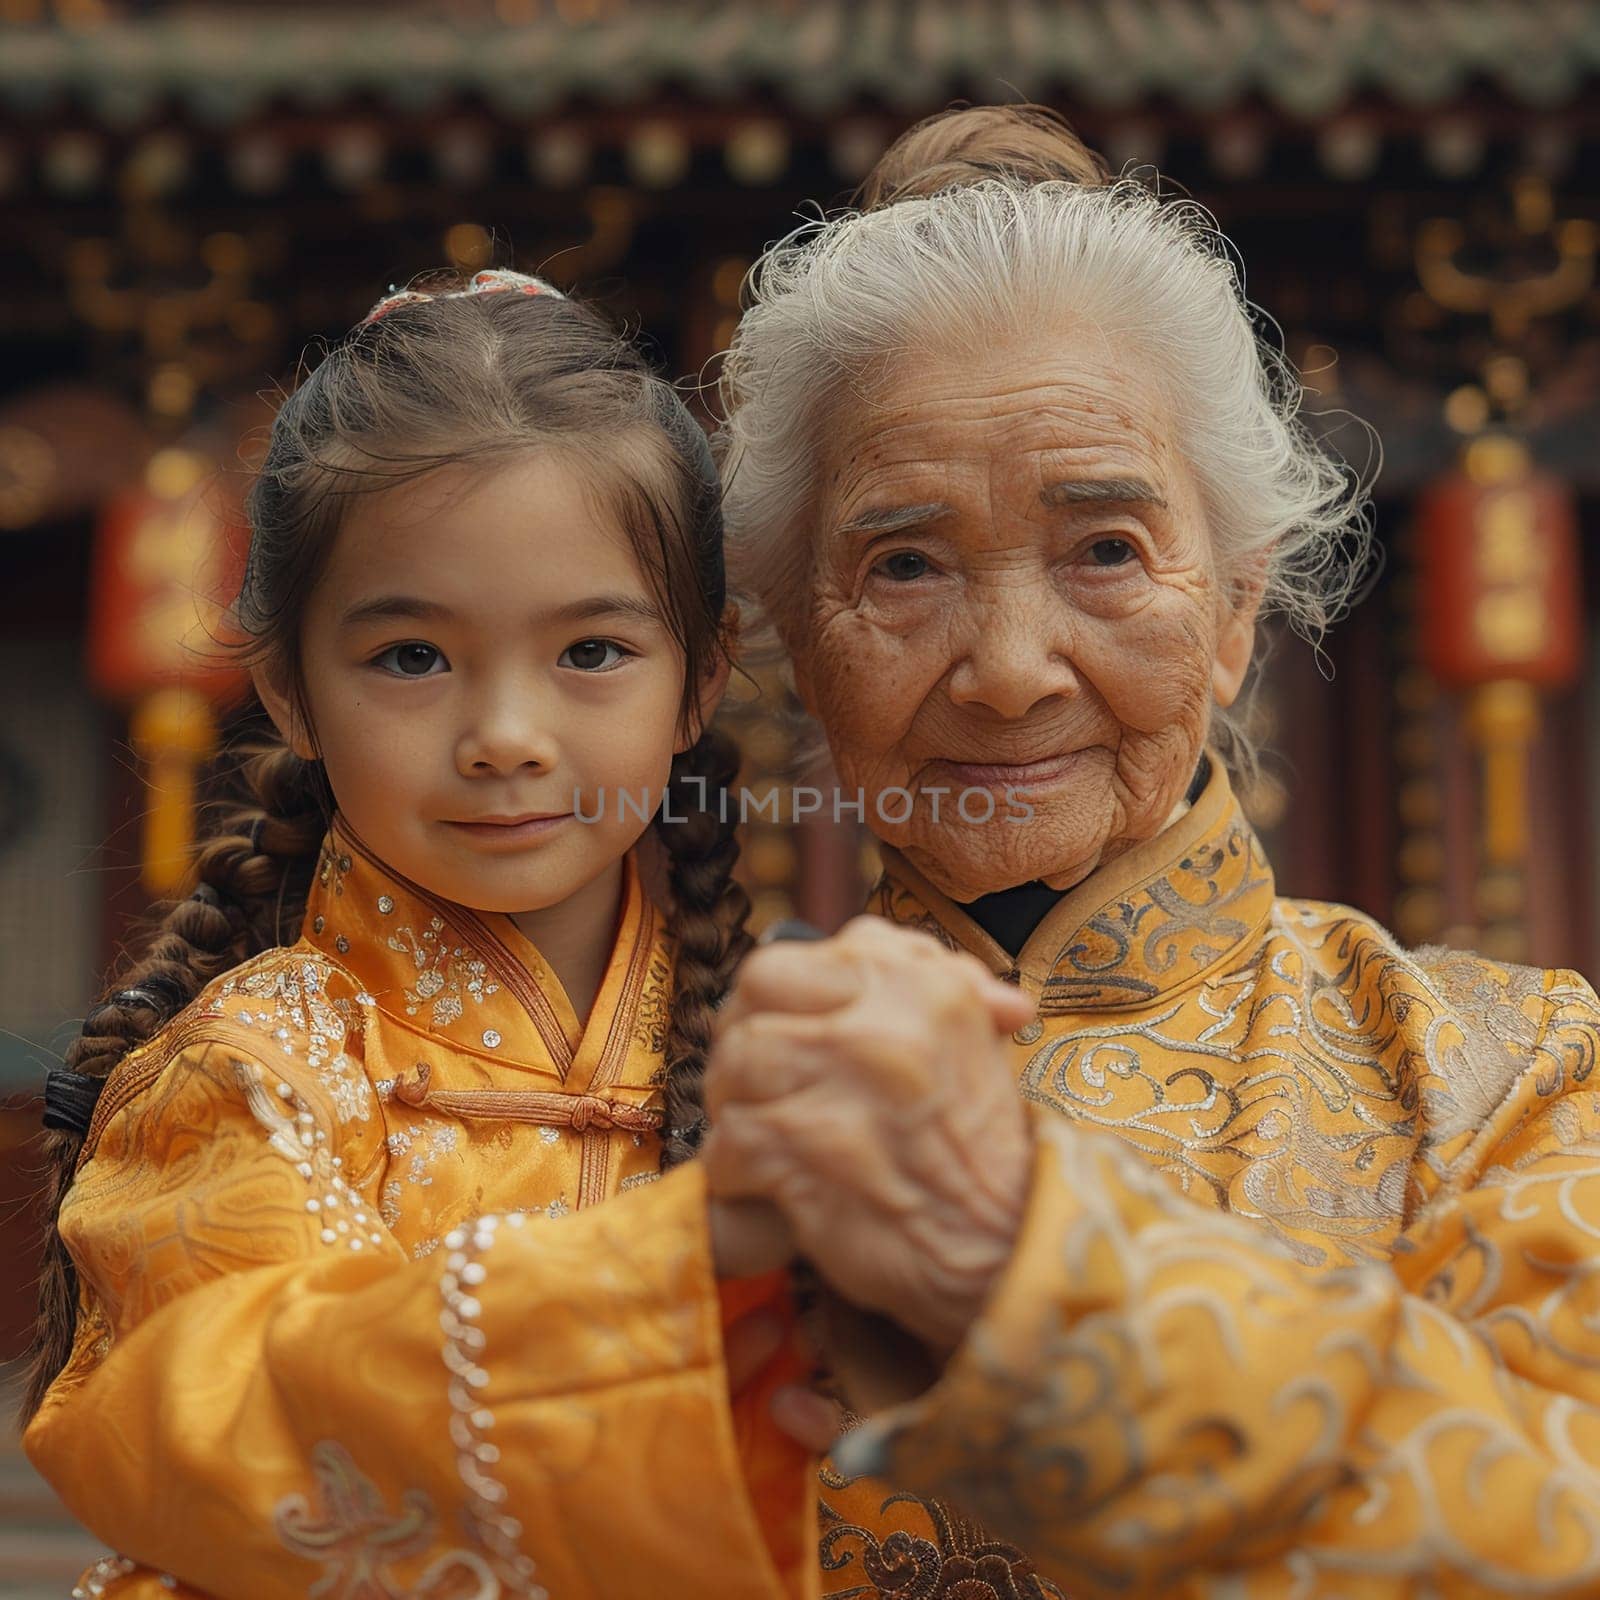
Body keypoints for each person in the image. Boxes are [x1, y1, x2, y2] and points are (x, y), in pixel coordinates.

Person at [706, 106, 1600, 1597]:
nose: (1008, 668)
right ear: (798, 632)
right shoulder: (657, 1100)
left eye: (1105, 549)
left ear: (1240, 606)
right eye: (904, 563)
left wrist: (1024, 1276)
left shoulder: (1503, 1079)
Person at [23, 269, 817, 1600]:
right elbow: (229, 1414)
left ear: (704, 677)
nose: (506, 734)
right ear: (288, 691)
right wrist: (683, 1265)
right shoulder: (249, 1074)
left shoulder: (779, 1057)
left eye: (591, 653)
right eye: (411, 658)